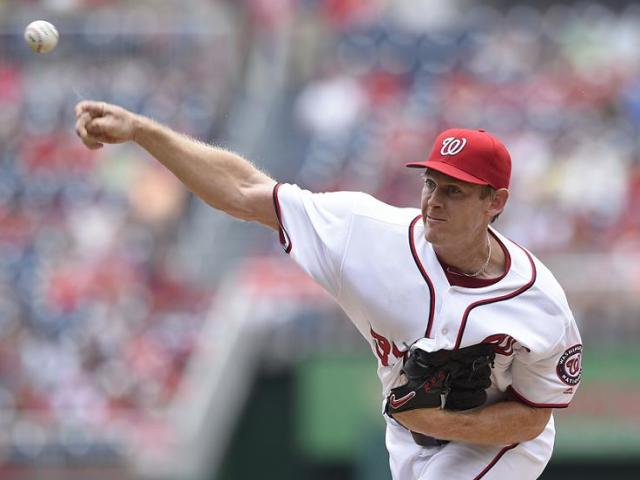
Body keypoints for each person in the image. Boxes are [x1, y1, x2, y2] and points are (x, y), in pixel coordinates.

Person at [75, 101, 582, 479]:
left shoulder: (540, 305)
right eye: (430, 183)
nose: (434, 201)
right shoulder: (366, 234)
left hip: (497, 444)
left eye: (454, 190)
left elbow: (532, 420)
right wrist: (143, 132)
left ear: (496, 202)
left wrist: (447, 423)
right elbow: (243, 191)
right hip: (408, 435)